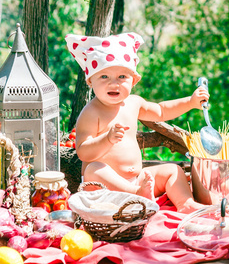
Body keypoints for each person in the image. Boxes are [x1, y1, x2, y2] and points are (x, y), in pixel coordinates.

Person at [65, 32, 207, 213]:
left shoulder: (133, 103)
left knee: (173, 170)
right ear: (90, 80)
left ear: (134, 80)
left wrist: (190, 102)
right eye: (104, 77)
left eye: (122, 77)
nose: (114, 84)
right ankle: (137, 194)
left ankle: (185, 204)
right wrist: (107, 139)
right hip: (105, 188)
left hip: (137, 180)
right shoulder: (91, 113)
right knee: (94, 169)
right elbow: (84, 152)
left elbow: (162, 111)